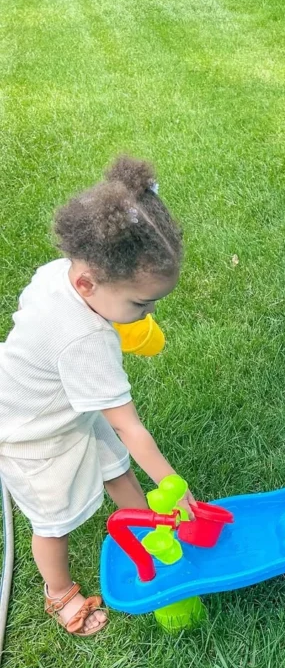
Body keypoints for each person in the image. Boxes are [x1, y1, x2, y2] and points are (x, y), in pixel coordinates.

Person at [0, 156, 192, 636]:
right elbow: (130, 424)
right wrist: (176, 483)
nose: (146, 313)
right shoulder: (87, 340)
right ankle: (59, 593)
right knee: (53, 517)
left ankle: (148, 530)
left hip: (66, 405)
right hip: (31, 432)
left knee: (114, 465)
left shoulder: (59, 274)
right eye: (140, 303)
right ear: (89, 283)